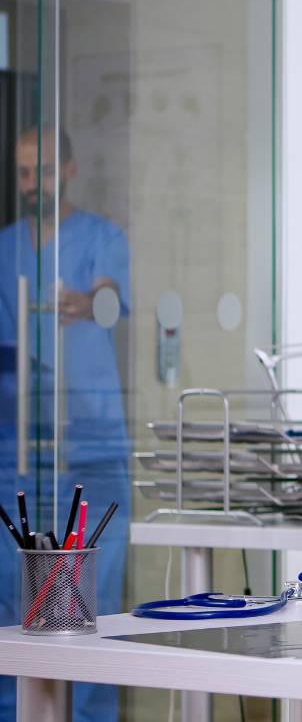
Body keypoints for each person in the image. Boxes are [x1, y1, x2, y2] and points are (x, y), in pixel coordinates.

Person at [0, 127, 131, 722]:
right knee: (13, 599)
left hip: (91, 441)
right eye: (25, 174)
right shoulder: (5, 249)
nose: (35, 186)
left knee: (91, 600)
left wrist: (86, 300)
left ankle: (92, 716)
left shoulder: (103, 239)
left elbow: (107, 298)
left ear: (71, 170)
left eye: (46, 172)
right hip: (18, 443)